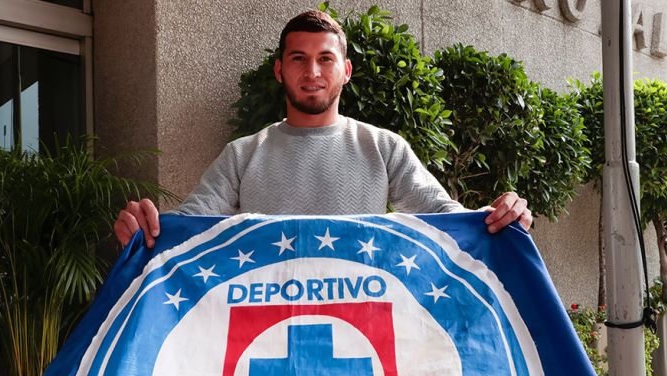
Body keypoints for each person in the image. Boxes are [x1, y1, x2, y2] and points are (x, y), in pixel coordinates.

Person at [115, 10, 532, 249]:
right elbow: (189, 225)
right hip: (264, 329)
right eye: (298, 58)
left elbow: (446, 219)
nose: (312, 71)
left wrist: (500, 219)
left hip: (363, 327)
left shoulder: (384, 147)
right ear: (279, 70)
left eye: (325, 59)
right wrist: (145, 229)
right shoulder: (242, 155)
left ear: (346, 70)